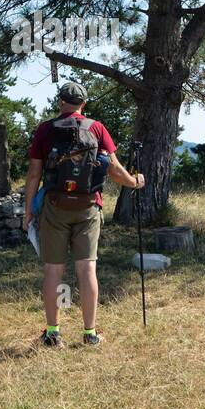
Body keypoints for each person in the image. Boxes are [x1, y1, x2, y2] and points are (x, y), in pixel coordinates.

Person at [22, 81, 145, 347]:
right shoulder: (97, 128)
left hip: (55, 207)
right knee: (87, 268)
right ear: (84, 104)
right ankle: (90, 334)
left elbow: (34, 174)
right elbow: (114, 169)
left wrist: (28, 211)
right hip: (89, 205)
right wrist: (135, 182)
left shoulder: (45, 130)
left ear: (60, 102)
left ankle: (53, 333)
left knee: (53, 270)